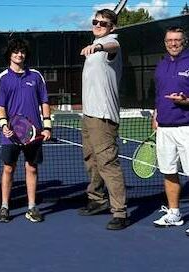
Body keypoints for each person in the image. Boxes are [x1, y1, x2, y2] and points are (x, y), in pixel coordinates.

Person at [79, 9, 129, 230]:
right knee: (91, 160)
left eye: (104, 23)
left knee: (108, 163)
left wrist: (98, 46)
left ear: (113, 27)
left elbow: (112, 47)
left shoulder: (111, 44)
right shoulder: (95, 43)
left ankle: (120, 212)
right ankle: (97, 200)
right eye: (96, 21)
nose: (98, 24)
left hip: (103, 116)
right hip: (89, 115)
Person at [0, 39, 51, 223]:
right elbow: (0, 106)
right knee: (8, 169)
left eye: (22, 52)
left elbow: (44, 102)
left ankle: (32, 207)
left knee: (31, 168)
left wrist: (47, 126)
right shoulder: (2, 78)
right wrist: (4, 125)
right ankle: (4, 207)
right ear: (9, 54)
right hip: (11, 134)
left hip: (34, 133)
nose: (20, 55)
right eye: (16, 52)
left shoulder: (35, 76)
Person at [150, 26, 189, 235]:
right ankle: (174, 213)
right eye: (169, 40)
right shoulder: (161, 65)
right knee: (169, 171)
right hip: (165, 128)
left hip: (187, 127)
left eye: (177, 40)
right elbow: (158, 94)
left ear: (184, 42)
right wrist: (156, 114)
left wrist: (185, 101)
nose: (173, 44)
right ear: (165, 43)